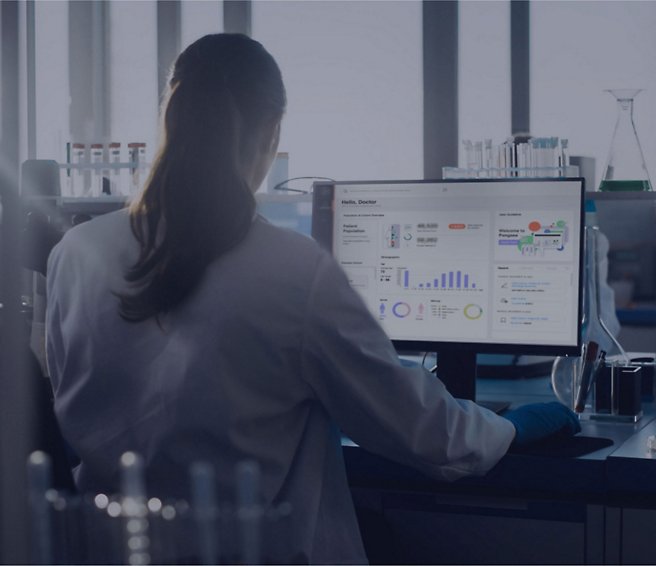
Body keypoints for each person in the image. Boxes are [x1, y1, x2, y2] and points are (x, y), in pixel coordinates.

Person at [46, 33, 580, 564]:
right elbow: (431, 437)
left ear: (171, 117)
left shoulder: (76, 253)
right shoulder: (293, 272)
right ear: (272, 131)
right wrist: (511, 427)